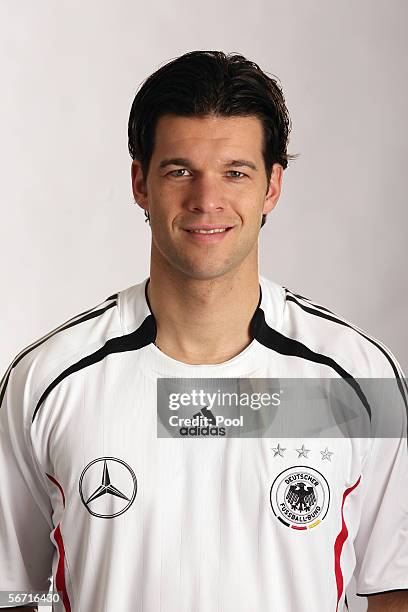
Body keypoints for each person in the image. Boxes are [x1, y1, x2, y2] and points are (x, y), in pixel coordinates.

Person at [0, 50, 407, 612]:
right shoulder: (46, 380)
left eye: (235, 172)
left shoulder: (358, 377)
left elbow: (396, 588)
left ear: (271, 186)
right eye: (179, 170)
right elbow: (9, 589)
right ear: (141, 182)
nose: (206, 200)